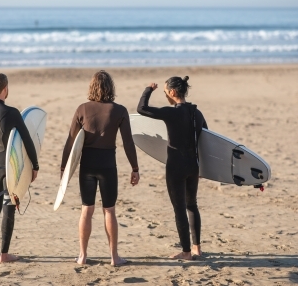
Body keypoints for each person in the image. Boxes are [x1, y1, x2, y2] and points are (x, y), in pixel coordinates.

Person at [61, 70, 140, 266]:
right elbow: (128, 143)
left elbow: (70, 141)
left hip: (87, 165)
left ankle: (82, 256)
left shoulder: (82, 109)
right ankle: (114, 257)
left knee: (86, 210)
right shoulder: (119, 111)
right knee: (109, 210)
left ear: (92, 87)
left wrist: (64, 168)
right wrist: (135, 168)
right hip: (107, 166)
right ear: (110, 88)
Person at [137, 76, 208, 260]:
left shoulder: (171, 112)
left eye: (166, 91)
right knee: (192, 205)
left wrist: (148, 90)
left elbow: (141, 109)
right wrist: (203, 168)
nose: (166, 95)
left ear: (173, 92)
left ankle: (186, 252)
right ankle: (197, 248)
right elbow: (207, 139)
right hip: (193, 166)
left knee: (179, 208)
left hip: (176, 166)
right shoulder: (196, 113)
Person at [0, 72, 39, 263]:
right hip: (11, 169)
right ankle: (4, 254)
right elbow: (27, 140)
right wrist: (34, 166)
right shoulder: (12, 113)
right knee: (8, 208)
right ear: (5, 88)